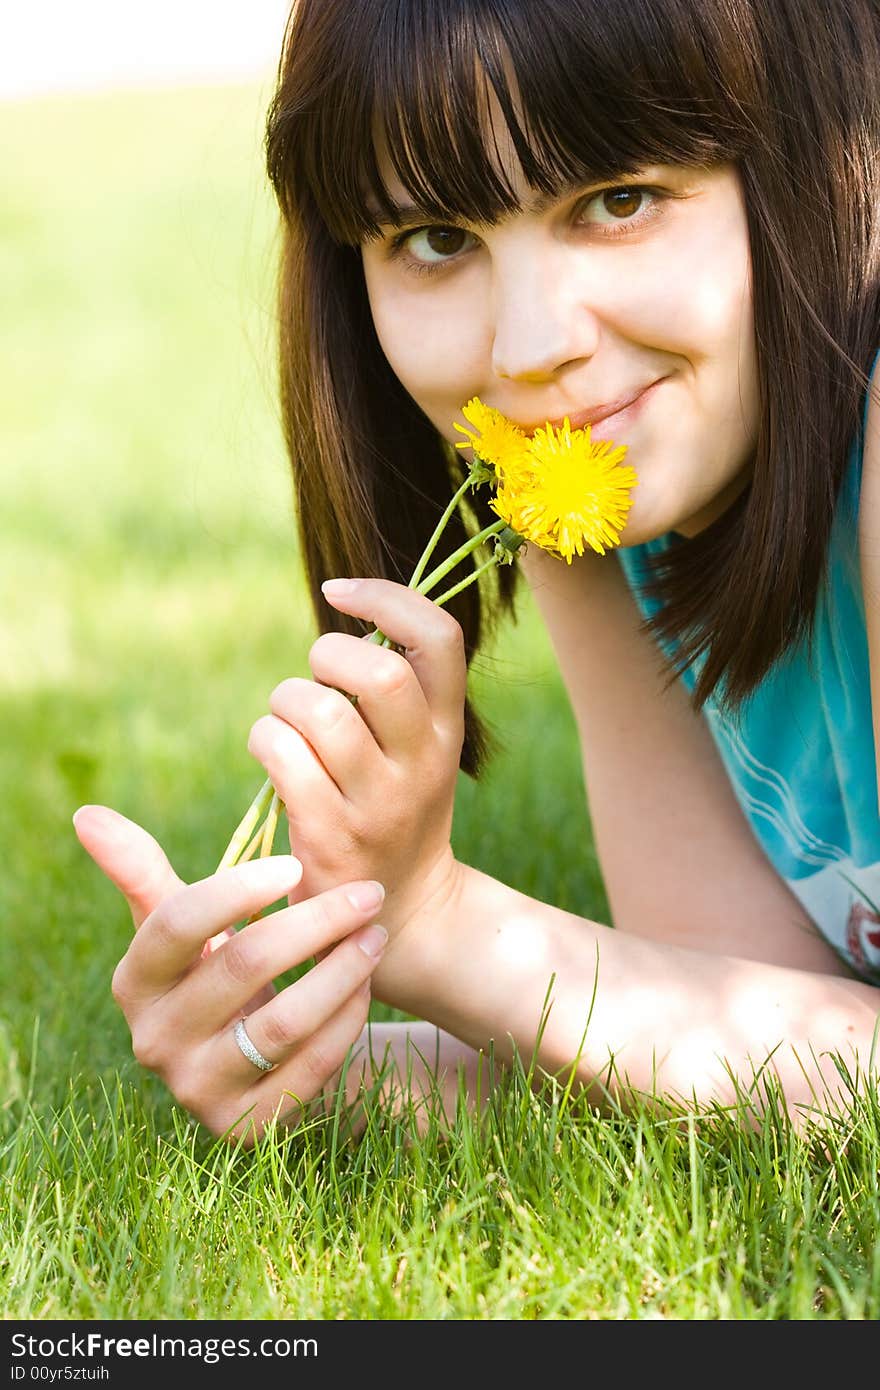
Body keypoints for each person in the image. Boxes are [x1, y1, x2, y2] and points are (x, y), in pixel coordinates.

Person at [74, 0, 880, 1146]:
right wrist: (315, 1055)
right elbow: (751, 1032)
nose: (526, 347)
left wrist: (442, 924)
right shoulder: (588, 486)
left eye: (618, 200)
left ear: (808, 152)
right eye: (439, 240)